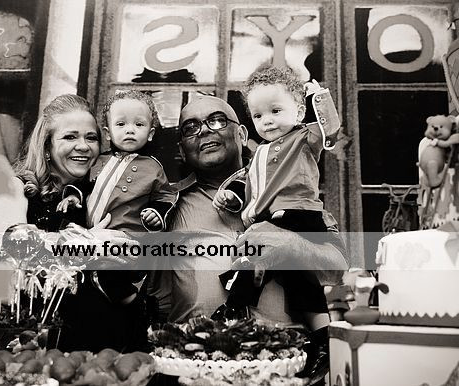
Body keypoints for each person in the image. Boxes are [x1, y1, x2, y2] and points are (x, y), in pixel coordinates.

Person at [147, 94, 347, 381]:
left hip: (287, 369)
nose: (203, 131)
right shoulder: (165, 208)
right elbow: (151, 296)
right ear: (182, 148)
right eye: (190, 127)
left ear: (241, 134)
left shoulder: (290, 195)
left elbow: (337, 269)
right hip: (198, 371)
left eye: (217, 120)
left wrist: (291, 244)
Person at [0, 94, 148, 353]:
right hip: (37, 348)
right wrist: (86, 243)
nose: (83, 146)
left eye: (91, 138)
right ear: (46, 146)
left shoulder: (100, 198)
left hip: (109, 345)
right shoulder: (14, 186)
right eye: (70, 137)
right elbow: (3, 247)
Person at [212, 66, 341, 335]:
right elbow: (251, 184)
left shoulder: (304, 139)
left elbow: (329, 130)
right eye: (258, 115)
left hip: (298, 213)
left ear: (299, 113)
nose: (267, 121)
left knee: (250, 256)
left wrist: (318, 99)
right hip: (274, 218)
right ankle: (322, 333)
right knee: (299, 280)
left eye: (276, 111)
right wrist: (234, 198)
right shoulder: (259, 152)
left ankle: (233, 307)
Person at [58, 90, 177, 305]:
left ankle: (134, 303)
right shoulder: (97, 161)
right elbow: (83, 184)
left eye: (139, 124)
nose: (130, 130)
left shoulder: (153, 168)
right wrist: (73, 197)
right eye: (121, 124)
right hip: (88, 232)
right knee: (84, 278)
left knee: (112, 274)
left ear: (150, 133)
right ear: (108, 133)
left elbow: (166, 196)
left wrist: (156, 213)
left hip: (125, 235)